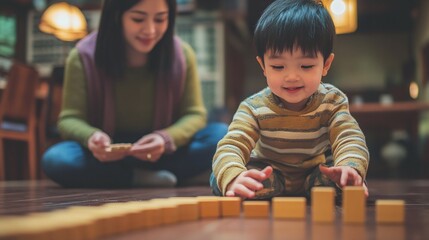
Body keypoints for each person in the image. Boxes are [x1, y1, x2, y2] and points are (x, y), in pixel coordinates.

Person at [42, 0, 228, 188]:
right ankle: (143, 177)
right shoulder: (82, 56)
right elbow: (69, 119)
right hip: (106, 157)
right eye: (138, 19)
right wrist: (91, 137)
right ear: (116, 16)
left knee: (221, 134)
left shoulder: (183, 55)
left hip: (162, 153)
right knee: (57, 159)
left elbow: (195, 115)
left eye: (160, 19)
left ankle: (132, 177)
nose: (150, 30)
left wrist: (165, 139)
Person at [210, 0, 369, 199]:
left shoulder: (332, 102)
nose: (292, 77)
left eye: (306, 66)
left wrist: (350, 168)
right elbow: (232, 144)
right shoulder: (253, 108)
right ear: (263, 66)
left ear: (326, 64)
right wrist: (234, 176)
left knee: (337, 177)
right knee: (233, 177)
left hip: (316, 171)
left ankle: (334, 181)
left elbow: (349, 137)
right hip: (269, 171)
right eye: (278, 67)